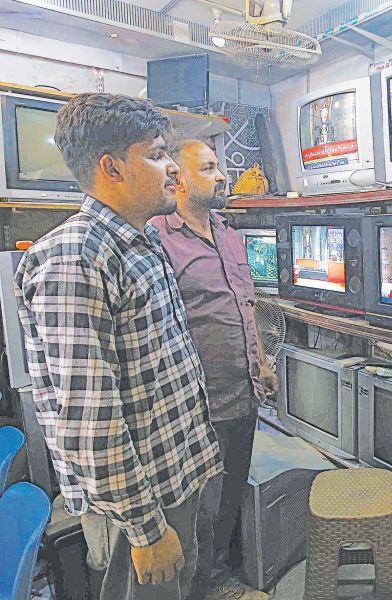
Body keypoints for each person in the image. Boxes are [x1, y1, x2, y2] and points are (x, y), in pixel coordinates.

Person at [14, 94, 222, 600]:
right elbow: (91, 422)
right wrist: (146, 529)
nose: (173, 168)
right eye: (156, 154)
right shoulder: (75, 257)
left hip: (174, 478)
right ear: (112, 168)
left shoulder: (142, 241)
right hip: (137, 509)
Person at [149, 139, 279, 600]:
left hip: (244, 395)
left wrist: (261, 361)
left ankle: (219, 579)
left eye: (219, 166)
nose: (222, 175)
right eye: (208, 168)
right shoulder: (157, 238)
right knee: (199, 511)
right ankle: (204, 587)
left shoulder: (229, 234)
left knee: (229, 498)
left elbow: (246, 304)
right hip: (197, 407)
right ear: (179, 180)